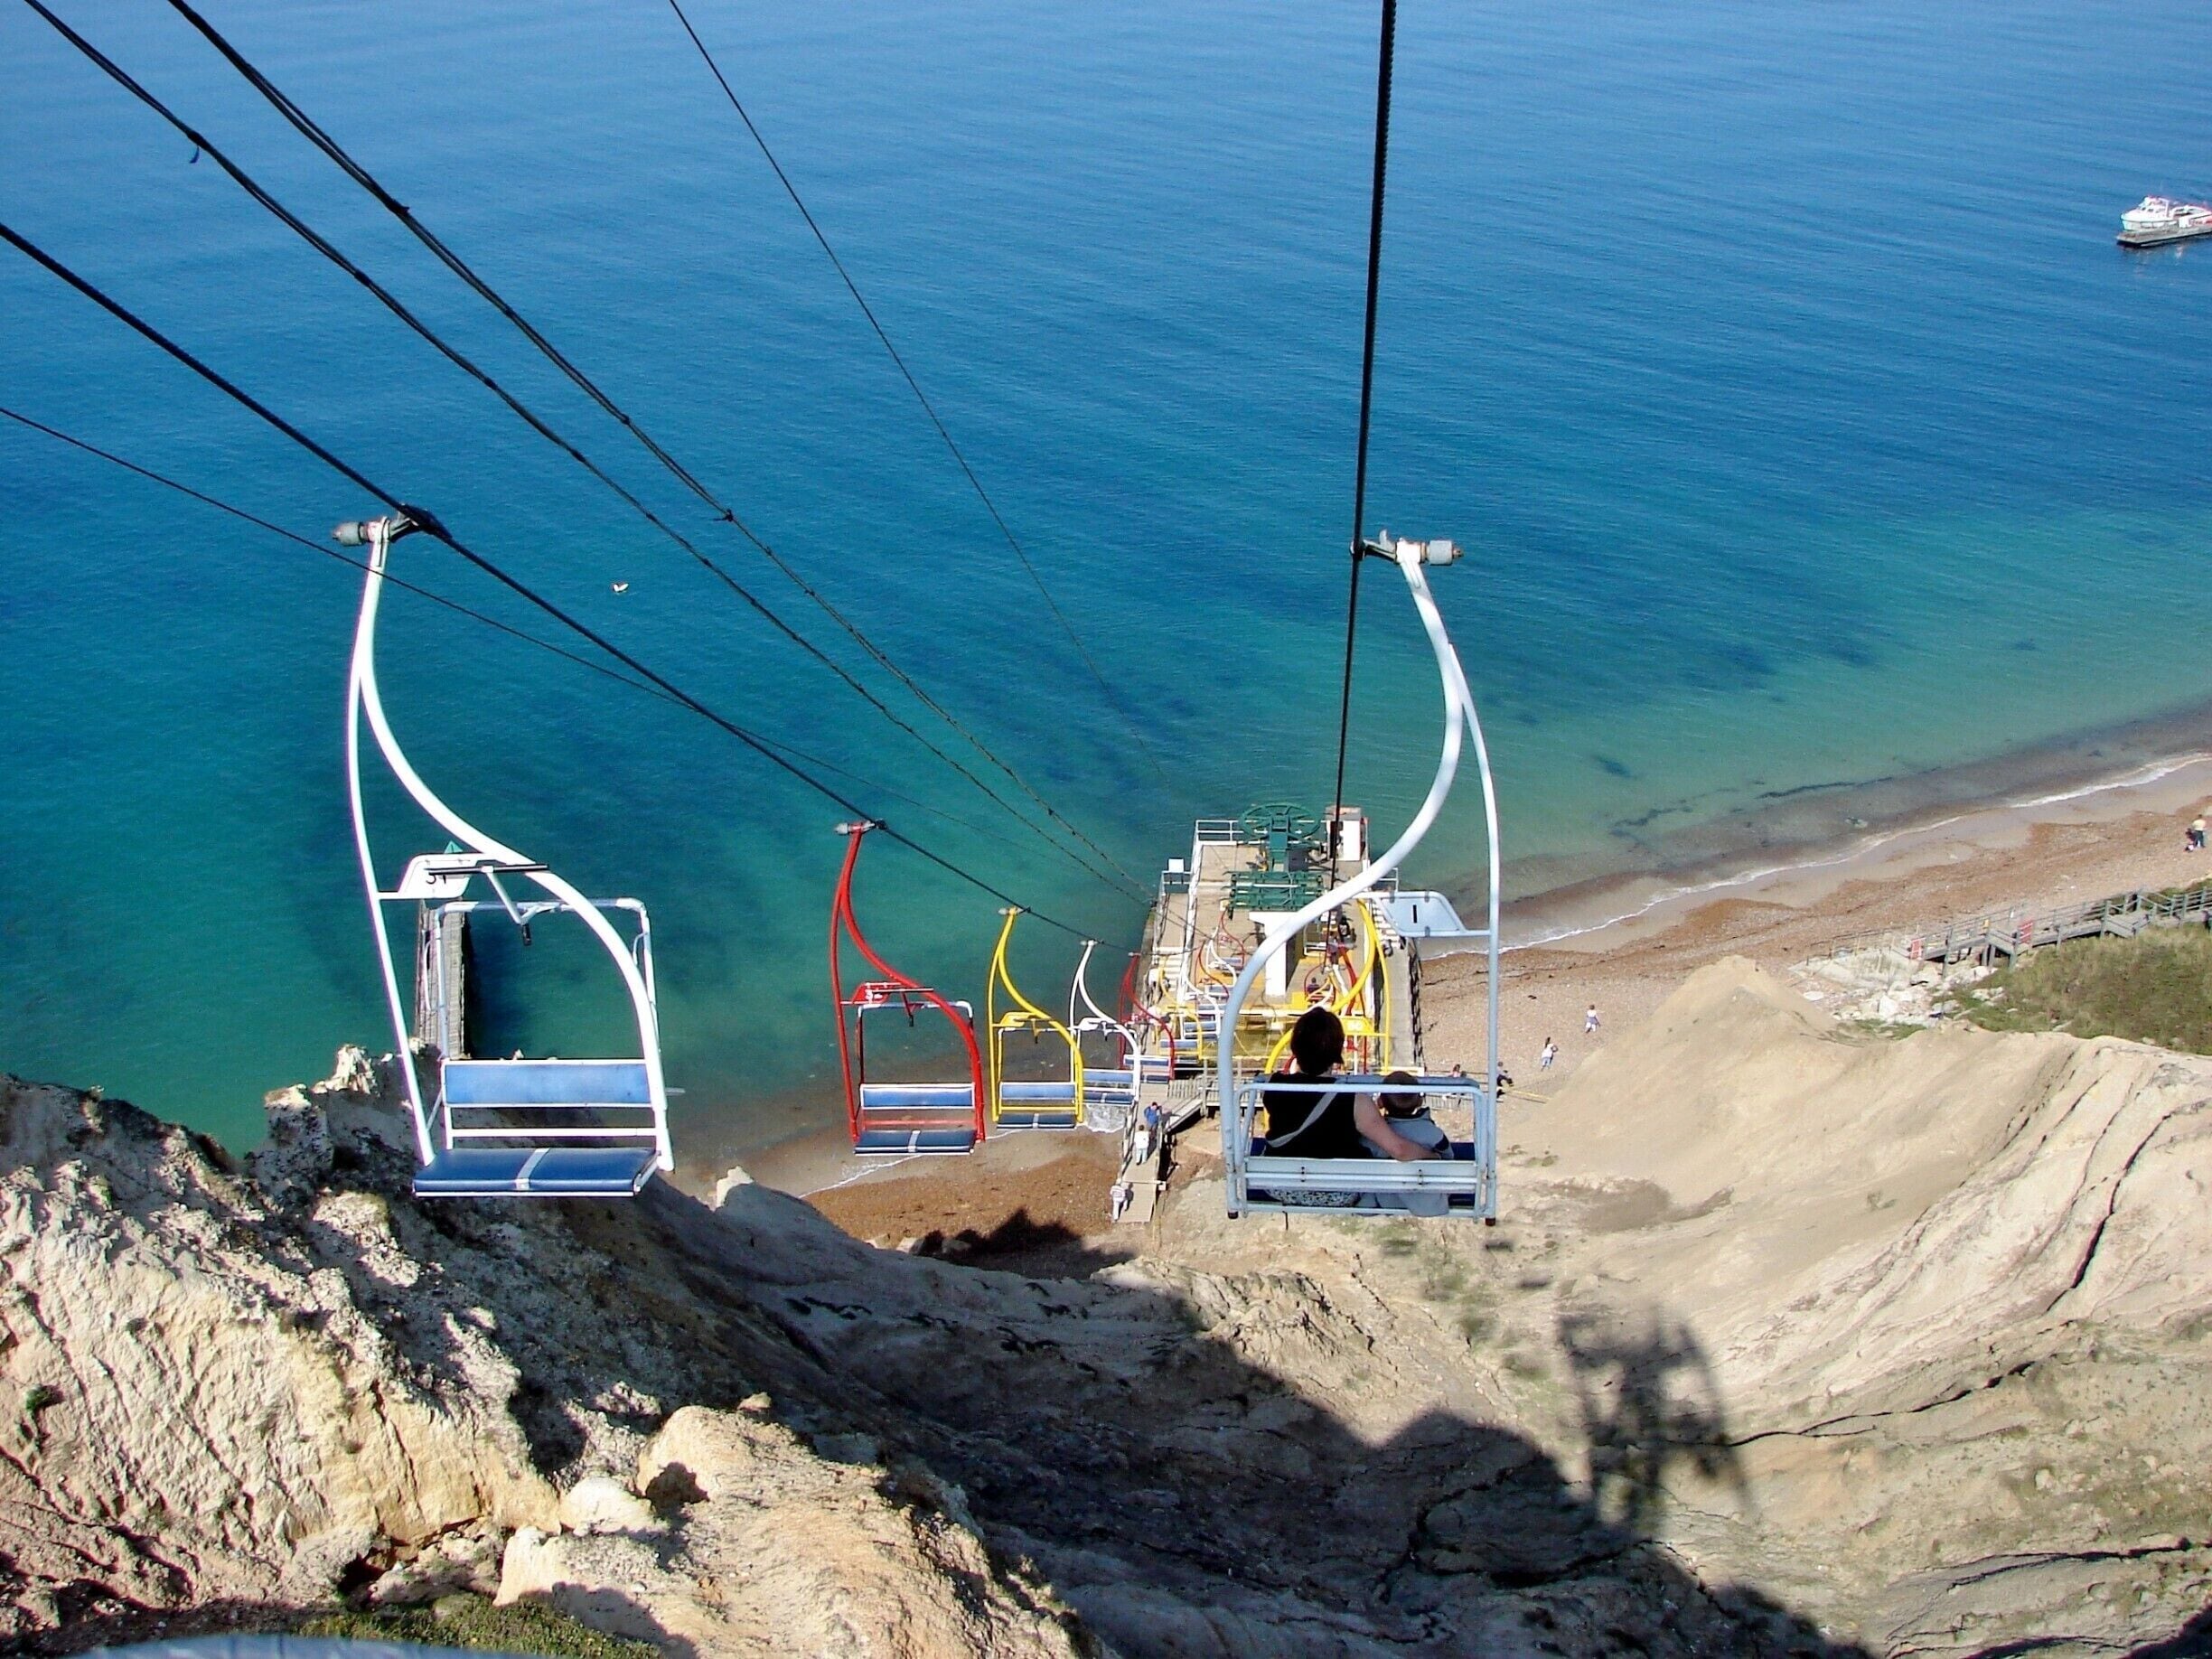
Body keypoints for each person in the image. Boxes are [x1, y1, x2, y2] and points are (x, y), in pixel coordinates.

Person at [1262, 1008, 1437, 1164]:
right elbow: (1399, 1150)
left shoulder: (1273, 1086)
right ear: (1336, 1050)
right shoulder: (1354, 1101)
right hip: (1339, 1191)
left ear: (1296, 1047)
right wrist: (1434, 1157)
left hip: (1281, 1186)